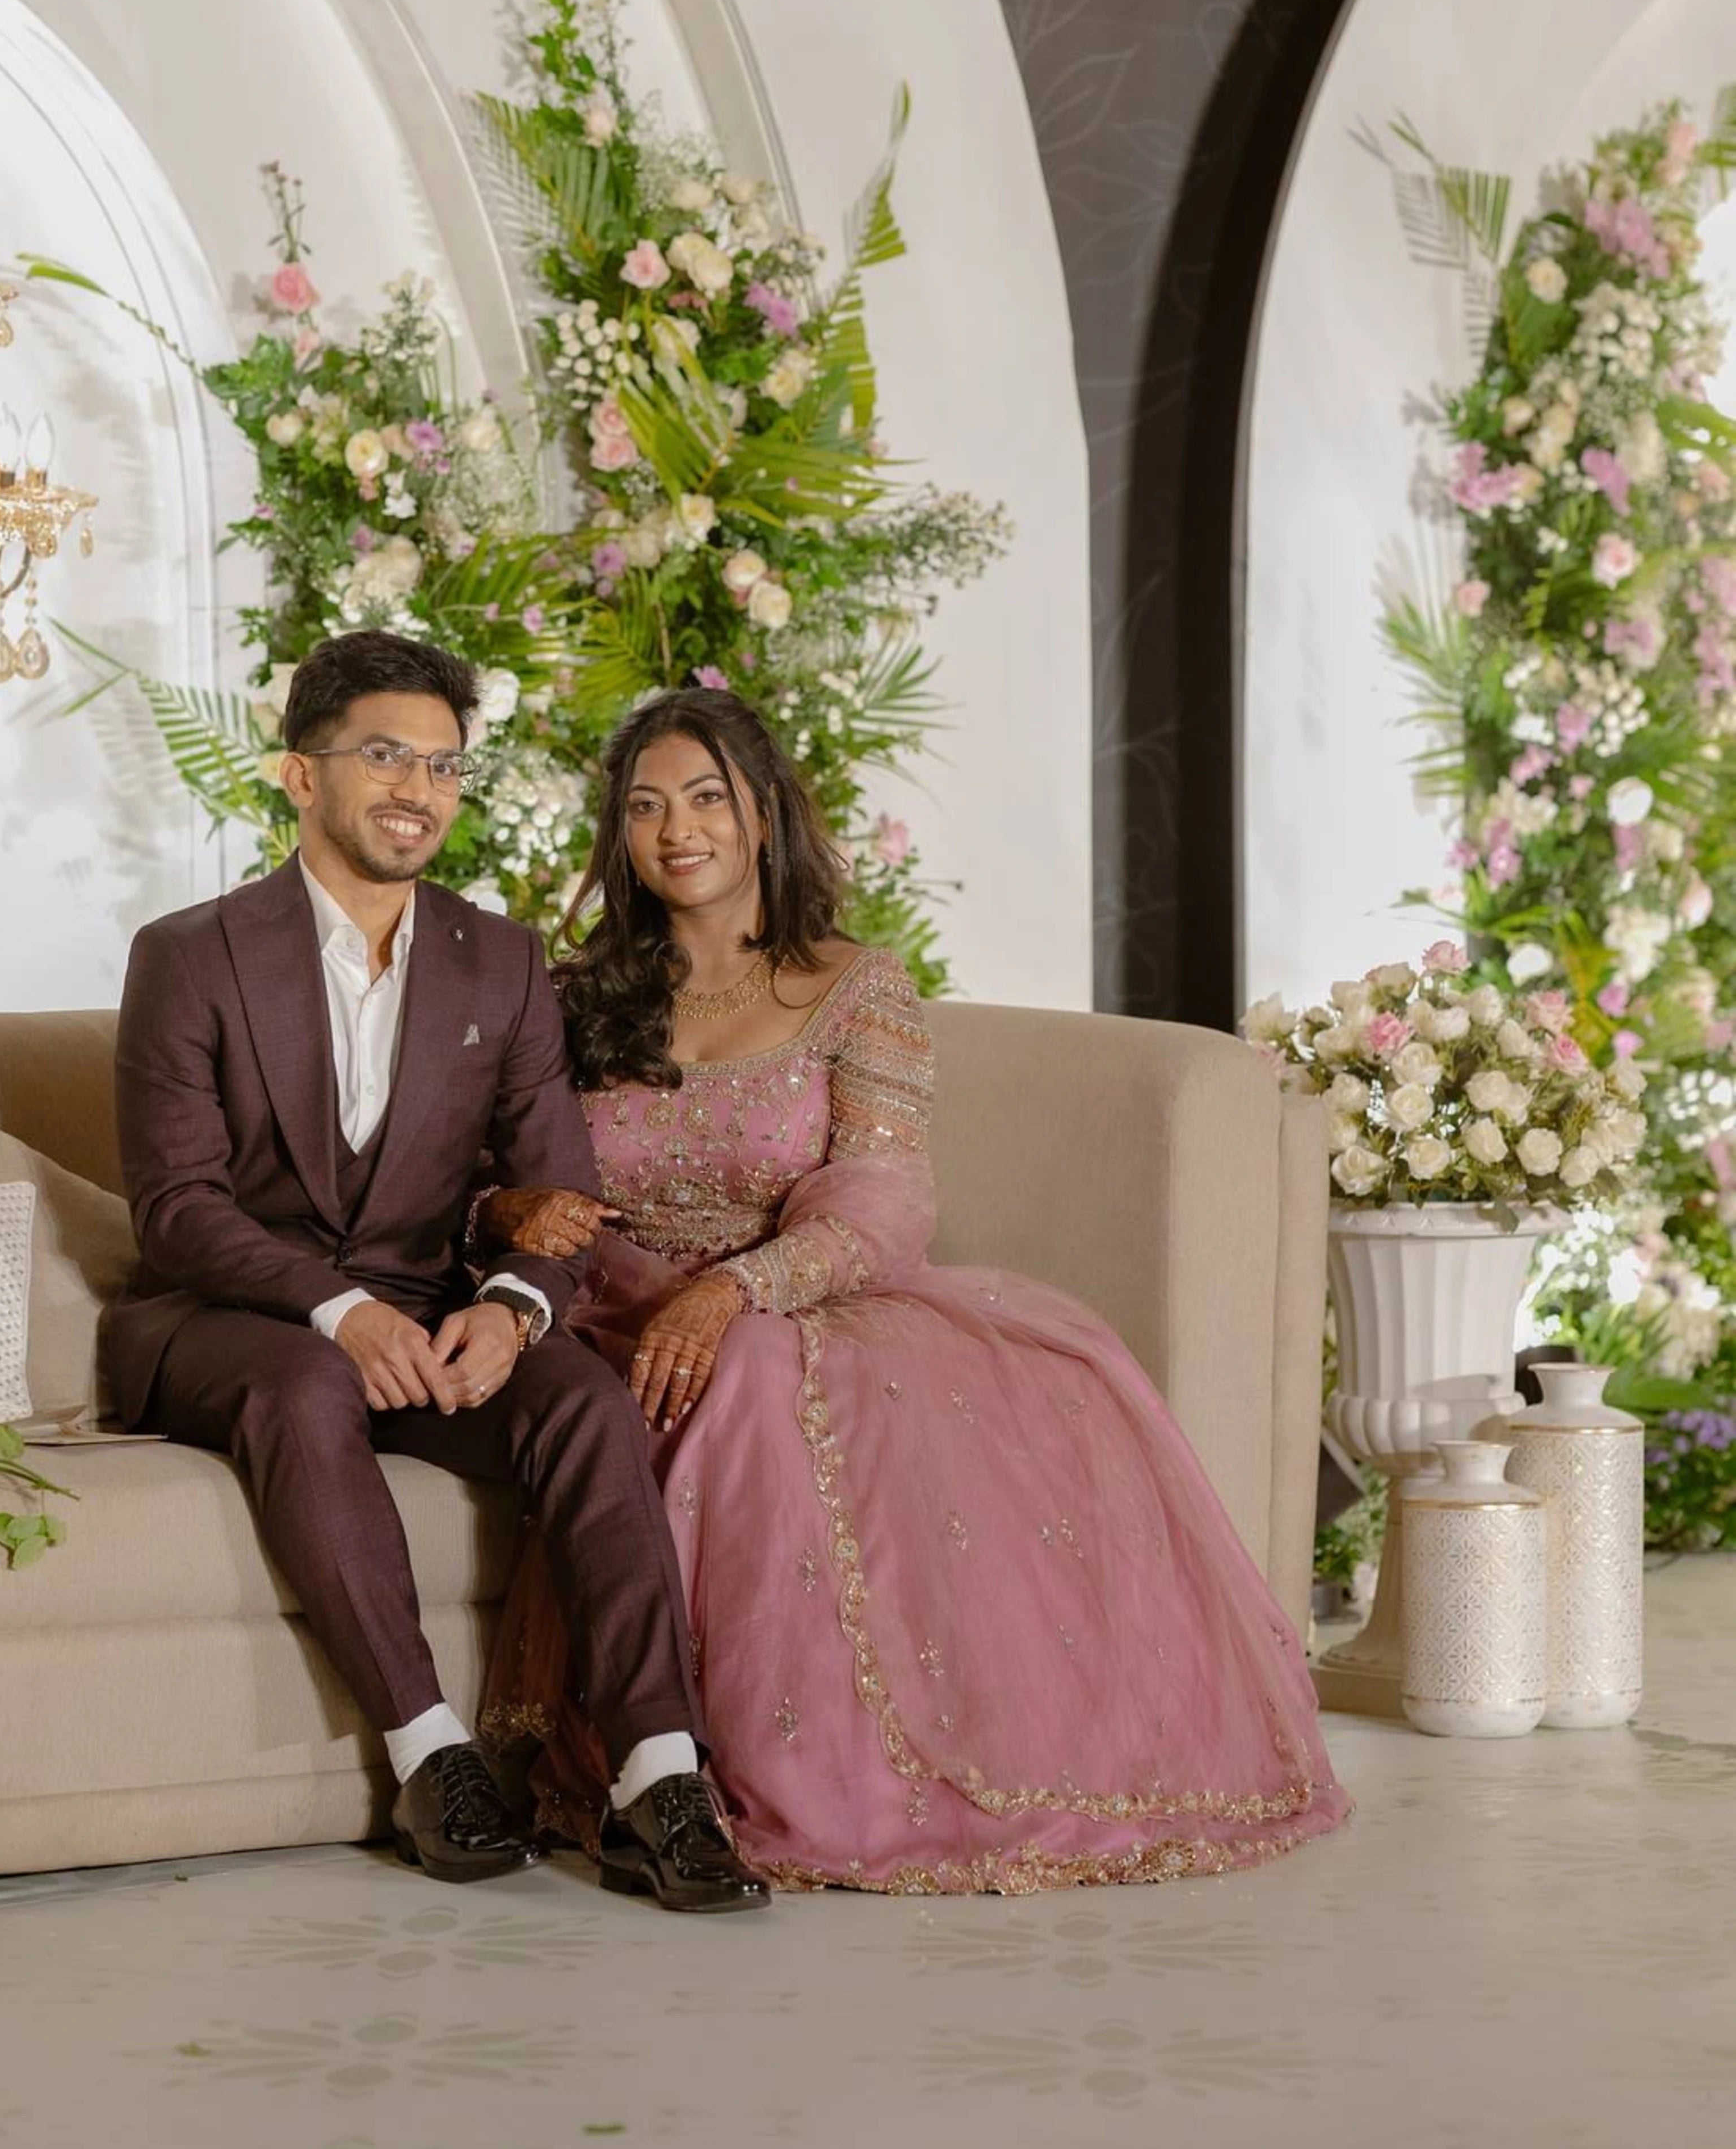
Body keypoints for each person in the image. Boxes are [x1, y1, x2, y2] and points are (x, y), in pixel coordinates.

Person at [475, 688, 1351, 1891]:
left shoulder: (850, 985)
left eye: (705, 798)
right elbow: (492, 1169)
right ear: (617, 838)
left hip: (788, 1306)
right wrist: (505, 1213)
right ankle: (658, 1776)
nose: (676, 828)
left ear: (764, 819)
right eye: (643, 806)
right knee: (659, 1378)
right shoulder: (574, 996)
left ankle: (768, 1787)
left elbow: (882, 1197)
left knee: (754, 1372)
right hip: (600, 1309)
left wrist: (737, 1289)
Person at [103, 630, 767, 1914]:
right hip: (227, 1317)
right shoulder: (188, 953)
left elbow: (556, 1200)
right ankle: (429, 1754)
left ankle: (655, 1774)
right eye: (385, 756)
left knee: (580, 1395)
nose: (418, 788)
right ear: (300, 776)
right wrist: (339, 1311)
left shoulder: (502, 961)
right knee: (303, 1384)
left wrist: (514, 1312)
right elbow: (178, 1210)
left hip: (424, 1315)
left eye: (445, 765)